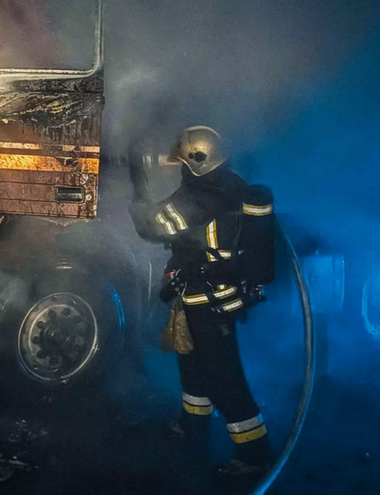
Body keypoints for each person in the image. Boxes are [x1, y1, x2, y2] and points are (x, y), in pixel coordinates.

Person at [129, 126, 273, 477]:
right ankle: (192, 428)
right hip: (203, 292)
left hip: (208, 298)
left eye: (181, 160)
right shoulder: (229, 181)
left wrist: (138, 191)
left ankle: (254, 455)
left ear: (195, 162)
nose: (177, 165)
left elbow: (151, 226)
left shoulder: (198, 199)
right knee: (192, 366)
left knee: (225, 378)